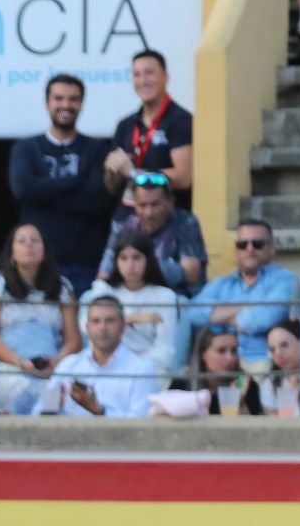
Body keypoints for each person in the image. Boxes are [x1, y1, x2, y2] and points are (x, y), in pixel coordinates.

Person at [7, 73, 114, 295]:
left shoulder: (97, 148)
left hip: (84, 264)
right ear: (47, 103)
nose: (66, 105)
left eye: (73, 99)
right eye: (59, 98)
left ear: (81, 104)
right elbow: (23, 189)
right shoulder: (26, 148)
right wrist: (77, 181)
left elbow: (95, 199)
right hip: (36, 266)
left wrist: (44, 192)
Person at [0, 221, 81, 416]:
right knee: (28, 391)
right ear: (12, 251)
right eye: (21, 241)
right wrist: (21, 363)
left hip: (51, 366)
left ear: (44, 249)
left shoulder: (62, 287)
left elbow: (74, 340)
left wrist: (57, 361)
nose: (29, 245)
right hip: (10, 365)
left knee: (71, 393)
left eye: (35, 240)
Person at [187, 219, 297, 366]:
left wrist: (220, 315)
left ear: (272, 248)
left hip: (262, 363)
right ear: (236, 250)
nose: (249, 249)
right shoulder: (222, 283)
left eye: (257, 244)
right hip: (221, 365)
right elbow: (192, 314)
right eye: (242, 244)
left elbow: (261, 320)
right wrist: (249, 306)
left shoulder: (286, 280)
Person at [80, 230, 184, 379]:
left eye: (136, 258)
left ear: (148, 259)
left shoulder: (165, 296)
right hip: (105, 365)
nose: (130, 265)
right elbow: (86, 325)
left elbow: (164, 350)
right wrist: (134, 318)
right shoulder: (103, 289)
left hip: (148, 370)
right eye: (123, 258)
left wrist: (132, 368)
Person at [97, 172, 206, 297]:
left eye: (155, 204)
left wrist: (133, 271)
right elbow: (103, 275)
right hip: (131, 295)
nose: (149, 213)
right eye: (142, 205)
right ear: (135, 205)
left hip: (178, 295)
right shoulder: (123, 225)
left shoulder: (186, 222)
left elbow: (191, 273)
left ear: (170, 203)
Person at [105, 49, 194, 200]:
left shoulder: (181, 119)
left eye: (149, 73)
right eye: (137, 75)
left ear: (165, 77)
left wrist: (135, 174)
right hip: (130, 216)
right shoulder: (125, 124)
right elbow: (111, 187)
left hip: (168, 219)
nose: (143, 80)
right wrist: (111, 170)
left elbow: (184, 178)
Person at [46, 295, 156, 418]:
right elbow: (38, 413)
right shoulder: (68, 365)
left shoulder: (141, 369)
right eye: (96, 321)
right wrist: (51, 408)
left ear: (123, 326)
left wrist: (100, 411)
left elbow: (142, 422)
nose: (102, 328)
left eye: (110, 321)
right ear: (87, 328)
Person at [157, 326, 260, 417]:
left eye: (234, 351)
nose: (230, 358)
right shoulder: (181, 385)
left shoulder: (245, 384)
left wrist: (240, 403)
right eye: (221, 351)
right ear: (203, 354)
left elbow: (256, 432)